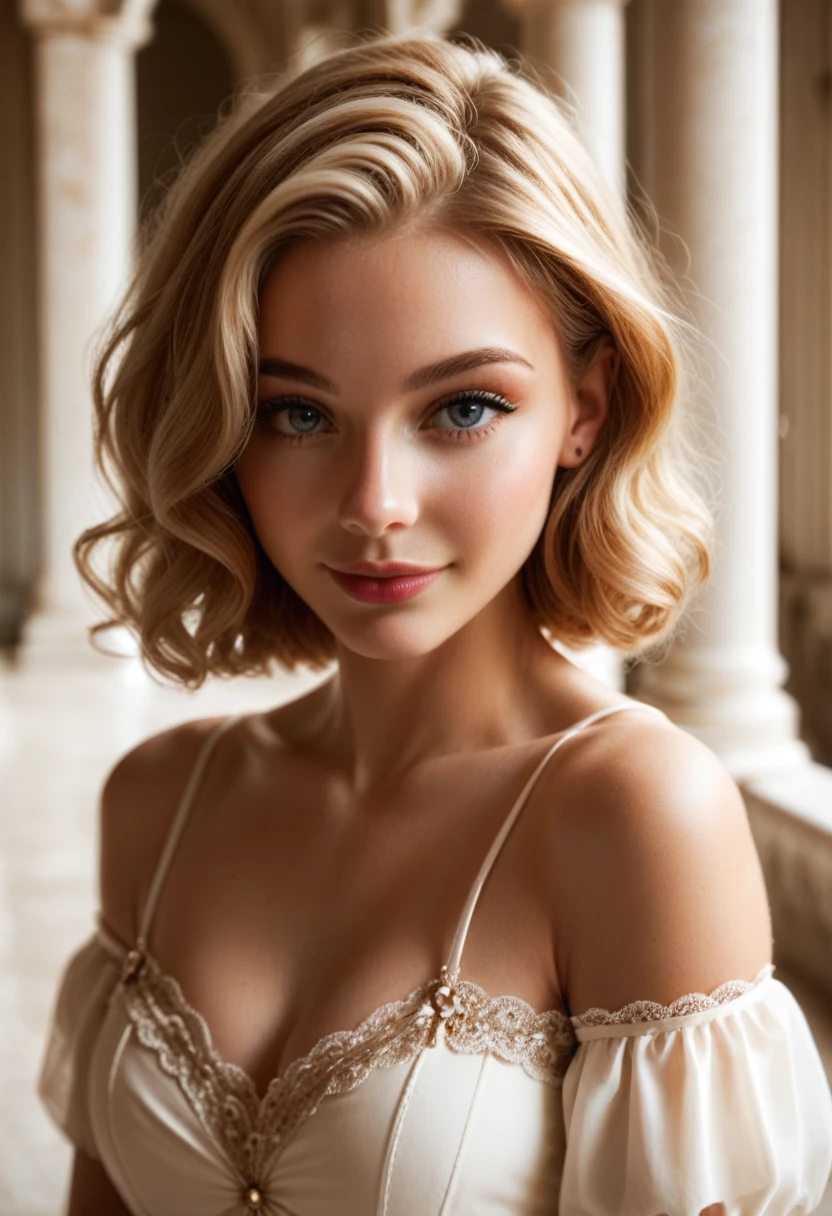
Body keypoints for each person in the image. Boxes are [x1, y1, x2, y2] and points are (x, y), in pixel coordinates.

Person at [36, 28, 832, 1216]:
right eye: (296, 415)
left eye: (461, 406)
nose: (374, 506)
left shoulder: (632, 818)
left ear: (584, 408)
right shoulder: (157, 800)